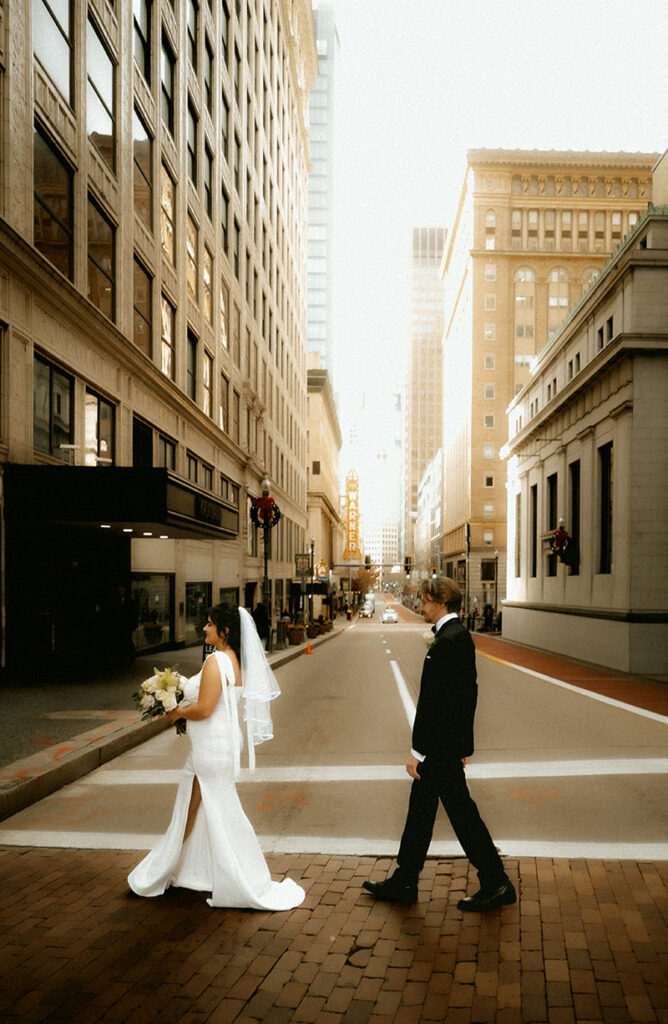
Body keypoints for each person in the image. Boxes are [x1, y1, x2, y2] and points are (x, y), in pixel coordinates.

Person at [128, 604, 304, 910]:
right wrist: (175, 690)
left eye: (210, 625)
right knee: (196, 809)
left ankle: (227, 877)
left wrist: (175, 712)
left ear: (224, 631)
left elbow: (206, 708)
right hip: (218, 746)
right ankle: (186, 870)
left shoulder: (215, 661)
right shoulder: (234, 661)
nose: (204, 629)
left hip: (210, 749)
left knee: (210, 811)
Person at [362, 577, 516, 912]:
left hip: (439, 749)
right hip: (447, 745)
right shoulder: (452, 636)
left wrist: (419, 751)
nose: (419, 605)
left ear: (441, 601)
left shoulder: (452, 639)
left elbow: (440, 702)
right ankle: (406, 878)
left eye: (424, 599)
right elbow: (464, 697)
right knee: (422, 810)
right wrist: (462, 746)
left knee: (462, 815)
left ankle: (496, 880)